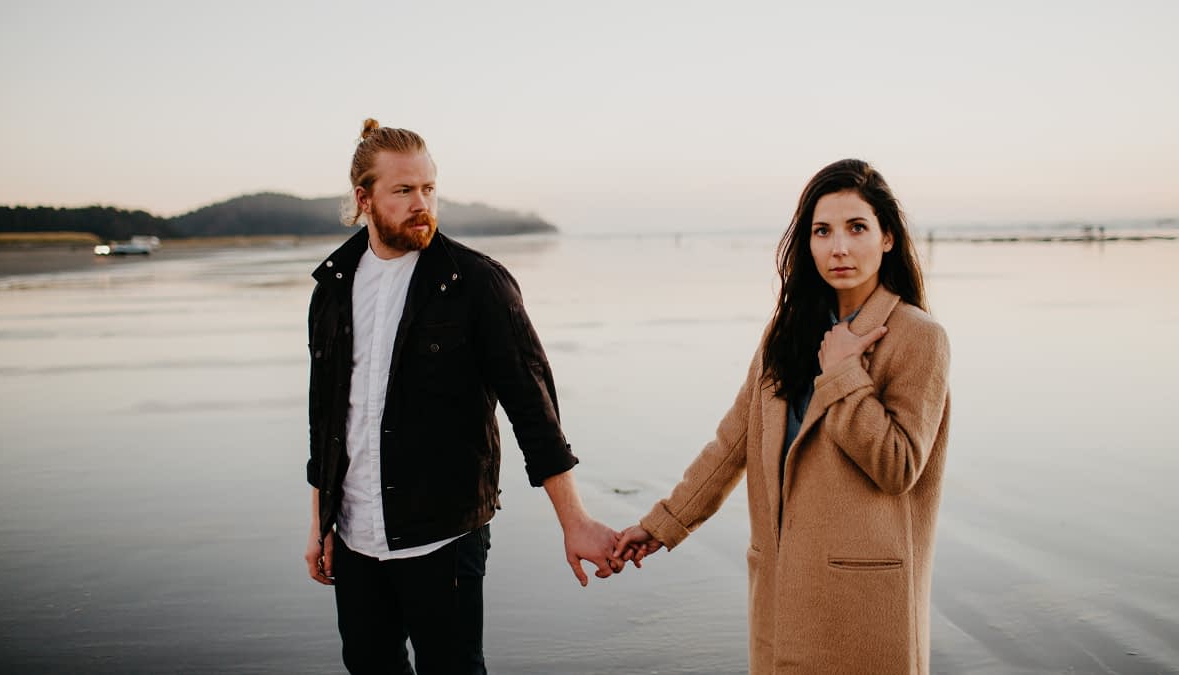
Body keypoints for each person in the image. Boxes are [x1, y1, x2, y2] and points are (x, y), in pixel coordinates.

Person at [304, 119, 623, 675]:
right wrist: (320, 524)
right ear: (364, 199)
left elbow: (534, 411)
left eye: (429, 188)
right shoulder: (332, 289)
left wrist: (574, 520)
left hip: (443, 537)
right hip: (355, 539)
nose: (421, 202)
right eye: (403, 190)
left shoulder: (476, 283)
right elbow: (327, 419)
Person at [615, 159, 951, 674]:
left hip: (862, 607)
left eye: (856, 227)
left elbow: (898, 466)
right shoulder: (786, 333)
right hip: (781, 594)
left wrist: (843, 374)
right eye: (823, 231)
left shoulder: (919, 337)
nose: (839, 246)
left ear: (887, 238)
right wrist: (661, 525)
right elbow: (733, 443)